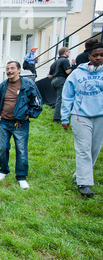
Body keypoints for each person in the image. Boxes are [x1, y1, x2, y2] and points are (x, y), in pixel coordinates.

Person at [0, 61, 43, 189]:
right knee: (2, 148)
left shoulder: (28, 85)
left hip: (20, 124)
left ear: (19, 70)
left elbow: (37, 103)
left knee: (21, 150)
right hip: (4, 123)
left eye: (12, 68)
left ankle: (21, 176)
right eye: (7, 68)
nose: (9, 71)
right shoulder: (2, 86)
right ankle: (3, 170)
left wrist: (29, 114)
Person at [61, 42, 103, 197]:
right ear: (89, 56)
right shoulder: (77, 74)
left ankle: (79, 175)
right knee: (83, 149)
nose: (98, 58)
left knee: (94, 149)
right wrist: (65, 117)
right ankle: (84, 183)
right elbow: (67, 96)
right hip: (80, 116)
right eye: (95, 55)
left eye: (101, 55)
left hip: (100, 116)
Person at [48, 47, 72, 122]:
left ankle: (60, 115)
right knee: (60, 99)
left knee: (59, 98)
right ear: (65, 53)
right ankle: (57, 118)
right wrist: (73, 66)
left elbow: (50, 76)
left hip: (53, 81)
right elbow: (68, 71)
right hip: (61, 80)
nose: (69, 54)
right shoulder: (65, 60)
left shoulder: (55, 62)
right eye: (68, 52)